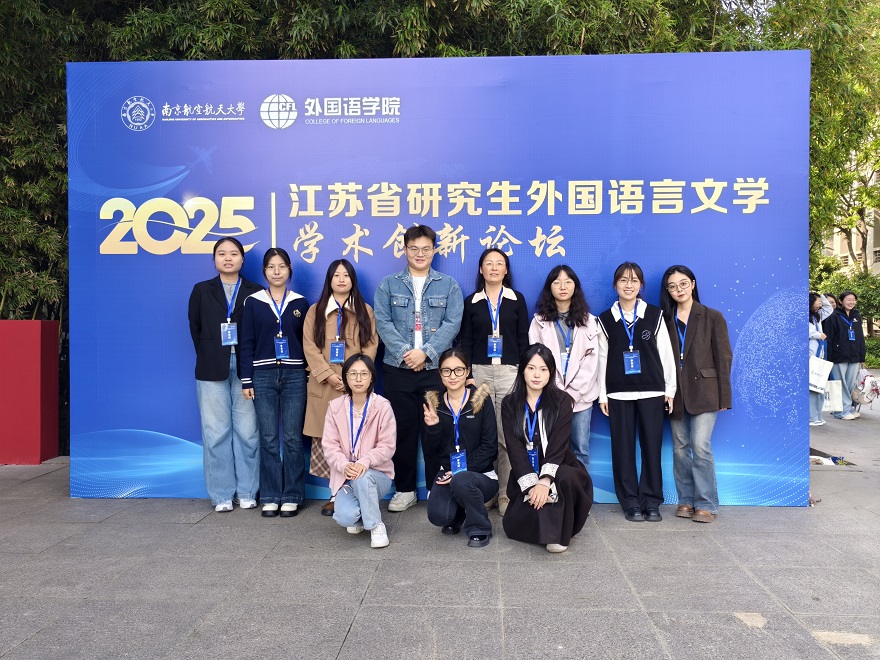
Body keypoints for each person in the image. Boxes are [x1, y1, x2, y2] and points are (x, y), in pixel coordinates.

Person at [373, 225, 464, 512]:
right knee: (402, 431)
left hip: (434, 369)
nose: (420, 254)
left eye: (426, 249)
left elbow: (452, 323)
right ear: (405, 250)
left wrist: (426, 353)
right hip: (397, 369)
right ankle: (405, 490)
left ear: (434, 250)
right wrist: (406, 353)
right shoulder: (388, 284)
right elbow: (382, 322)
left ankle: (439, 488)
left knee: (435, 429)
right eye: (414, 249)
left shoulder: (448, 285)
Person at [188, 237, 263, 512]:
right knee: (216, 433)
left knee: (248, 433)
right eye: (222, 254)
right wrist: (211, 353)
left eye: (233, 253)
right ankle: (221, 495)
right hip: (211, 368)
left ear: (243, 259)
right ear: (214, 259)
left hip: (248, 368)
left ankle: (247, 491)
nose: (228, 258)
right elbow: (195, 328)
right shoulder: (201, 290)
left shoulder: (256, 292)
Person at [597, 262, 676, 523]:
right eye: (623, 280)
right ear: (615, 285)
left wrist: (670, 389)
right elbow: (602, 359)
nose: (628, 285)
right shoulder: (605, 320)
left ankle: (651, 501)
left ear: (641, 285)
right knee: (622, 449)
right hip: (618, 392)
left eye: (634, 280)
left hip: (652, 390)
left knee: (652, 448)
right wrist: (603, 394)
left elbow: (666, 354)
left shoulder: (654, 315)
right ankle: (630, 501)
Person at [302, 260, 377, 517]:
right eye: (336, 275)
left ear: (353, 280)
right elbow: (309, 346)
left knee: (354, 440)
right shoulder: (316, 311)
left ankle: (354, 491)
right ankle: (335, 494)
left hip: (355, 387)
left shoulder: (365, 310)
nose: (342, 279)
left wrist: (355, 377)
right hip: (324, 387)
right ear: (329, 280)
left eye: (346, 275)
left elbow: (370, 345)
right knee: (329, 441)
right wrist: (328, 375)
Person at [501, 344, 593, 552]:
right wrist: (532, 486)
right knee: (517, 523)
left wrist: (544, 481)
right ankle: (547, 526)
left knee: (565, 477)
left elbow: (559, 445)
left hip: (559, 466)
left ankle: (559, 535)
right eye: (531, 368)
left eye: (543, 369)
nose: (537, 375)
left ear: (551, 372)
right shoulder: (509, 403)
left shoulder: (562, 400)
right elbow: (514, 448)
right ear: (522, 370)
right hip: (526, 471)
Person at [457, 248, 529, 516]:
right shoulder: (472, 302)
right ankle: (486, 491)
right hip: (480, 373)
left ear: (506, 270)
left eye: (500, 263)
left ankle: (505, 493)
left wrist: (522, 373)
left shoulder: (516, 299)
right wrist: (468, 374)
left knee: (507, 433)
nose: (494, 268)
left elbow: (523, 339)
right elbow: (466, 340)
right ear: (481, 269)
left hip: (510, 371)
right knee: (482, 433)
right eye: (489, 263)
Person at [240, 247, 310, 518]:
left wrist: (306, 373)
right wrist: (247, 378)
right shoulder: (253, 302)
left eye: (282, 266)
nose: (277, 271)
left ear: (289, 270)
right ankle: (270, 496)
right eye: (271, 267)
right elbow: (247, 341)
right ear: (264, 271)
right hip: (263, 375)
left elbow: (306, 342)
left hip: (294, 376)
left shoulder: (300, 302)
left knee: (292, 438)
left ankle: (292, 495)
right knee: (268, 438)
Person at [660, 266, 733, 523]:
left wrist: (724, 397)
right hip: (675, 392)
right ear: (667, 290)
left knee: (700, 446)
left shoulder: (712, 316)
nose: (678, 290)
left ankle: (706, 503)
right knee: (680, 448)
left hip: (705, 391)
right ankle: (686, 500)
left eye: (683, 284)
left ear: (692, 284)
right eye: (672, 286)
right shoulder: (664, 320)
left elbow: (723, 357)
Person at [423, 347, 499, 548]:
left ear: (467, 372)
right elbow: (432, 451)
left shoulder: (481, 400)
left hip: (481, 475)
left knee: (462, 479)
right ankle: (459, 513)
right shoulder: (434, 404)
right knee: (439, 516)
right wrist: (433, 428)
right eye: (446, 371)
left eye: (458, 370)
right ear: (440, 373)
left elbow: (490, 447)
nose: (453, 376)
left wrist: (460, 470)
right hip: (448, 473)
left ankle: (480, 528)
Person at [528, 265, 600, 474]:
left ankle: (581, 492)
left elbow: (592, 361)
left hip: (581, 398)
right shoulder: (539, 321)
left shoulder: (589, 321)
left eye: (568, 282)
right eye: (557, 282)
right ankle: (555, 491)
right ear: (549, 287)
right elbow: (536, 361)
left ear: (575, 286)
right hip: (551, 397)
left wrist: (573, 393)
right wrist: (557, 392)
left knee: (581, 450)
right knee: (553, 450)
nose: (562, 286)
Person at [322, 355, 395, 548]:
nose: (358, 379)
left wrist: (365, 461)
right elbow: (330, 446)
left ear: (372, 377)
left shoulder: (382, 406)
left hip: (377, 475)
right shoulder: (335, 407)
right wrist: (344, 465)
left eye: (364, 373)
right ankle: (364, 513)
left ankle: (376, 525)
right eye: (353, 374)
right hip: (347, 476)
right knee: (345, 518)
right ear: (346, 378)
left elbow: (387, 446)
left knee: (363, 477)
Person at [823, 290, 866, 421]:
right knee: (840, 384)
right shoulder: (834, 317)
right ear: (840, 301)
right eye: (848, 299)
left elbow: (860, 337)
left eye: (853, 300)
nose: (851, 302)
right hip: (838, 356)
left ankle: (848, 408)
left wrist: (862, 356)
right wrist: (829, 357)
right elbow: (829, 339)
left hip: (854, 356)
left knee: (850, 384)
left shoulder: (856, 316)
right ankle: (840, 412)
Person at [809, 292, 834, 427]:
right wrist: (818, 335)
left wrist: (821, 295)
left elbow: (829, 309)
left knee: (819, 387)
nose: (820, 303)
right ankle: (812, 417)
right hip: (810, 356)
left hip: (820, 355)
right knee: (813, 387)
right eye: (817, 301)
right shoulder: (803, 316)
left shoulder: (817, 316)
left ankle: (817, 416)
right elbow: (806, 332)